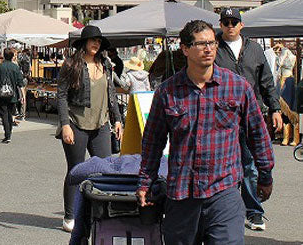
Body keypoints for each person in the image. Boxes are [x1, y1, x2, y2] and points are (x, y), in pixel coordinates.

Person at [138, 20, 274, 244]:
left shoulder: (238, 87)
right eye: (201, 44)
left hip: (224, 192)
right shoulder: (167, 92)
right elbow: (153, 143)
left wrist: (265, 175)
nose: (208, 49)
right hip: (182, 194)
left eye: (212, 43)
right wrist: (145, 182)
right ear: (184, 49)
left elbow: (258, 135)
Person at [214, 7, 281, 232]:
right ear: (220, 24)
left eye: (234, 21)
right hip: (222, 116)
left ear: (241, 25)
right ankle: (228, 210)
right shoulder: (213, 47)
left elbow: (267, 81)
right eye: (226, 22)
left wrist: (275, 109)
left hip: (253, 115)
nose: (230, 25)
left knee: (251, 166)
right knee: (225, 165)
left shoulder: (254, 49)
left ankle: (254, 212)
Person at [56, 25, 122, 232]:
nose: (96, 43)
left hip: (101, 124)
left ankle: (100, 213)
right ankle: (70, 216)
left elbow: (111, 94)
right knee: (76, 171)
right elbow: (62, 96)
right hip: (77, 123)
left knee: (105, 170)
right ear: (84, 43)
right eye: (93, 40)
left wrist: (118, 119)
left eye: (99, 41)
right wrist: (65, 124)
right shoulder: (71, 64)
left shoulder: (106, 64)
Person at [0, 48, 24, 144]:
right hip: (12, 94)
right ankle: (9, 133)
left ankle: (7, 134)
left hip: (1, 94)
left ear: (3, 55)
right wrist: (22, 96)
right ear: (12, 56)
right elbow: (20, 82)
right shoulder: (15, 67)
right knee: (10, 113)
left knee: (4, 114)